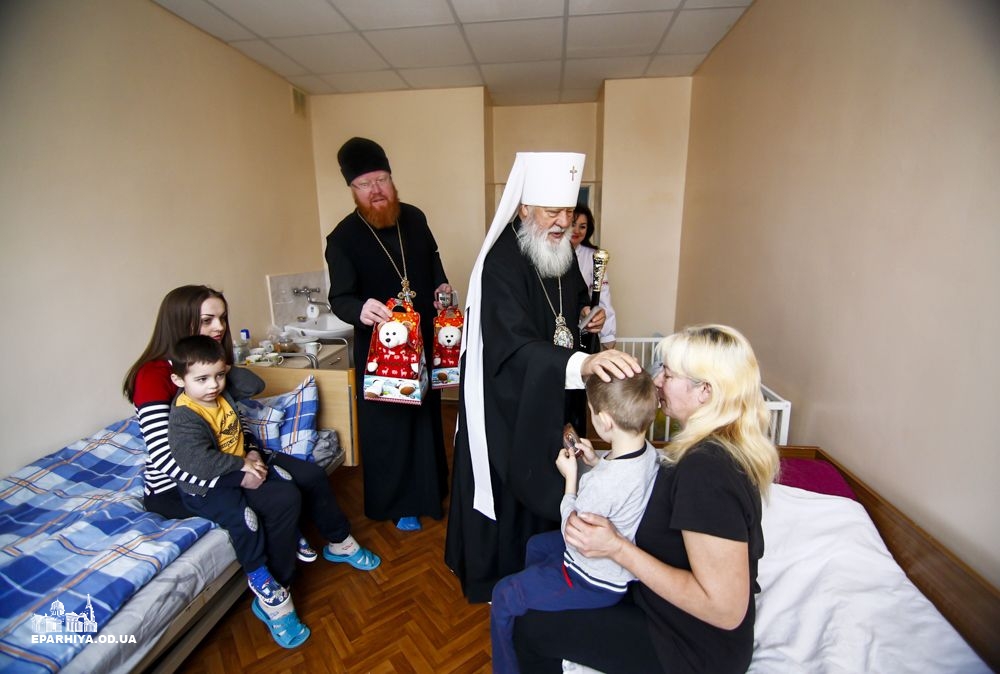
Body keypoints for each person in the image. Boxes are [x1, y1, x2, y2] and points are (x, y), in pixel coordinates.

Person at [512, 325, 781, 674]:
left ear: (705, 391)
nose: (657, 381)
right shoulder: (708, 446)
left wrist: (617, 548)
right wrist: (599, 464)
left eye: (668, 374)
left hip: (689, 646)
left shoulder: (708, 471)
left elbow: (724, 610)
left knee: (530, 629)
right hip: (661, 607)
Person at [444, 152, 643, 603]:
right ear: (524, 209)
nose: (563, 223)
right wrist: (579, 364)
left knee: (557, 472)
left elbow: (568, 314)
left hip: (553, 391)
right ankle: (504, 577)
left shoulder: (562, 253)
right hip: (509, 400)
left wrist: (587, 320)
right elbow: (512, 344)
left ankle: (549, 562)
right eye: (552, 211)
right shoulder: (500, 262)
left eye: (568, 211)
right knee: (515, 483)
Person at [123, 285, 320, 561]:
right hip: (179, 485)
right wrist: (239, 473)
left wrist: (251, 451)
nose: (220, 327)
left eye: (222, 318)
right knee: (279, 497)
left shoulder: (209, 368)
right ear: (179, 321)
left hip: (224, 457)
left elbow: (231, 418)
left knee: (305, 476)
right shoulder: (153, 375)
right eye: (207, 320)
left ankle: (296, 531)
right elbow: (166, 457)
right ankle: (272, 566)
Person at [490, 372, 660, 673]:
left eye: (592, 411)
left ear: (604, 421)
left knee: (503, 594)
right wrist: (595, 463)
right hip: (612, 564)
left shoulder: (604, 484)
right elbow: (617, 480)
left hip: (593, 579)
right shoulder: (648, 454)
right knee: (537, 545)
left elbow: (572, 529)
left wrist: (571, 478)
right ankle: (541, 603)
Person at [325, 137, 452, 532]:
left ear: (392, 180)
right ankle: (398, 503)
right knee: (391, 428)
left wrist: (442, 286)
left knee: (425, 417)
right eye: (365, 184)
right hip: (382, 351)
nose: (375, 190)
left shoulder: (414, 218)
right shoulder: (342, 238)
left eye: (381, 180)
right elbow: (339, 298)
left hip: (423, 341)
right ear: (352, 190)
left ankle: (430, 492)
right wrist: (359, 309)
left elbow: (433, 261)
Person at [166, 335, 310, 648]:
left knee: (285, 483)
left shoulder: (222, 394)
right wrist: (242, 465)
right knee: (245, 518)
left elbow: (255, 385)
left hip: (236, 466)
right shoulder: (185, 415)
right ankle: (257, 573)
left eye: (219, 375)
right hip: (207, 486)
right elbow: (198, 462)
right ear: (178, 380)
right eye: (202, 379)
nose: (213, 385)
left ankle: (293, 534)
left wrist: (226, 369)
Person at [570, 205, 615, 349]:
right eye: (573, 224)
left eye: (582, 226)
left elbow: (603, 298)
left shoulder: (594, 257)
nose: (577, 231)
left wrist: (608, 337)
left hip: (585, 329)